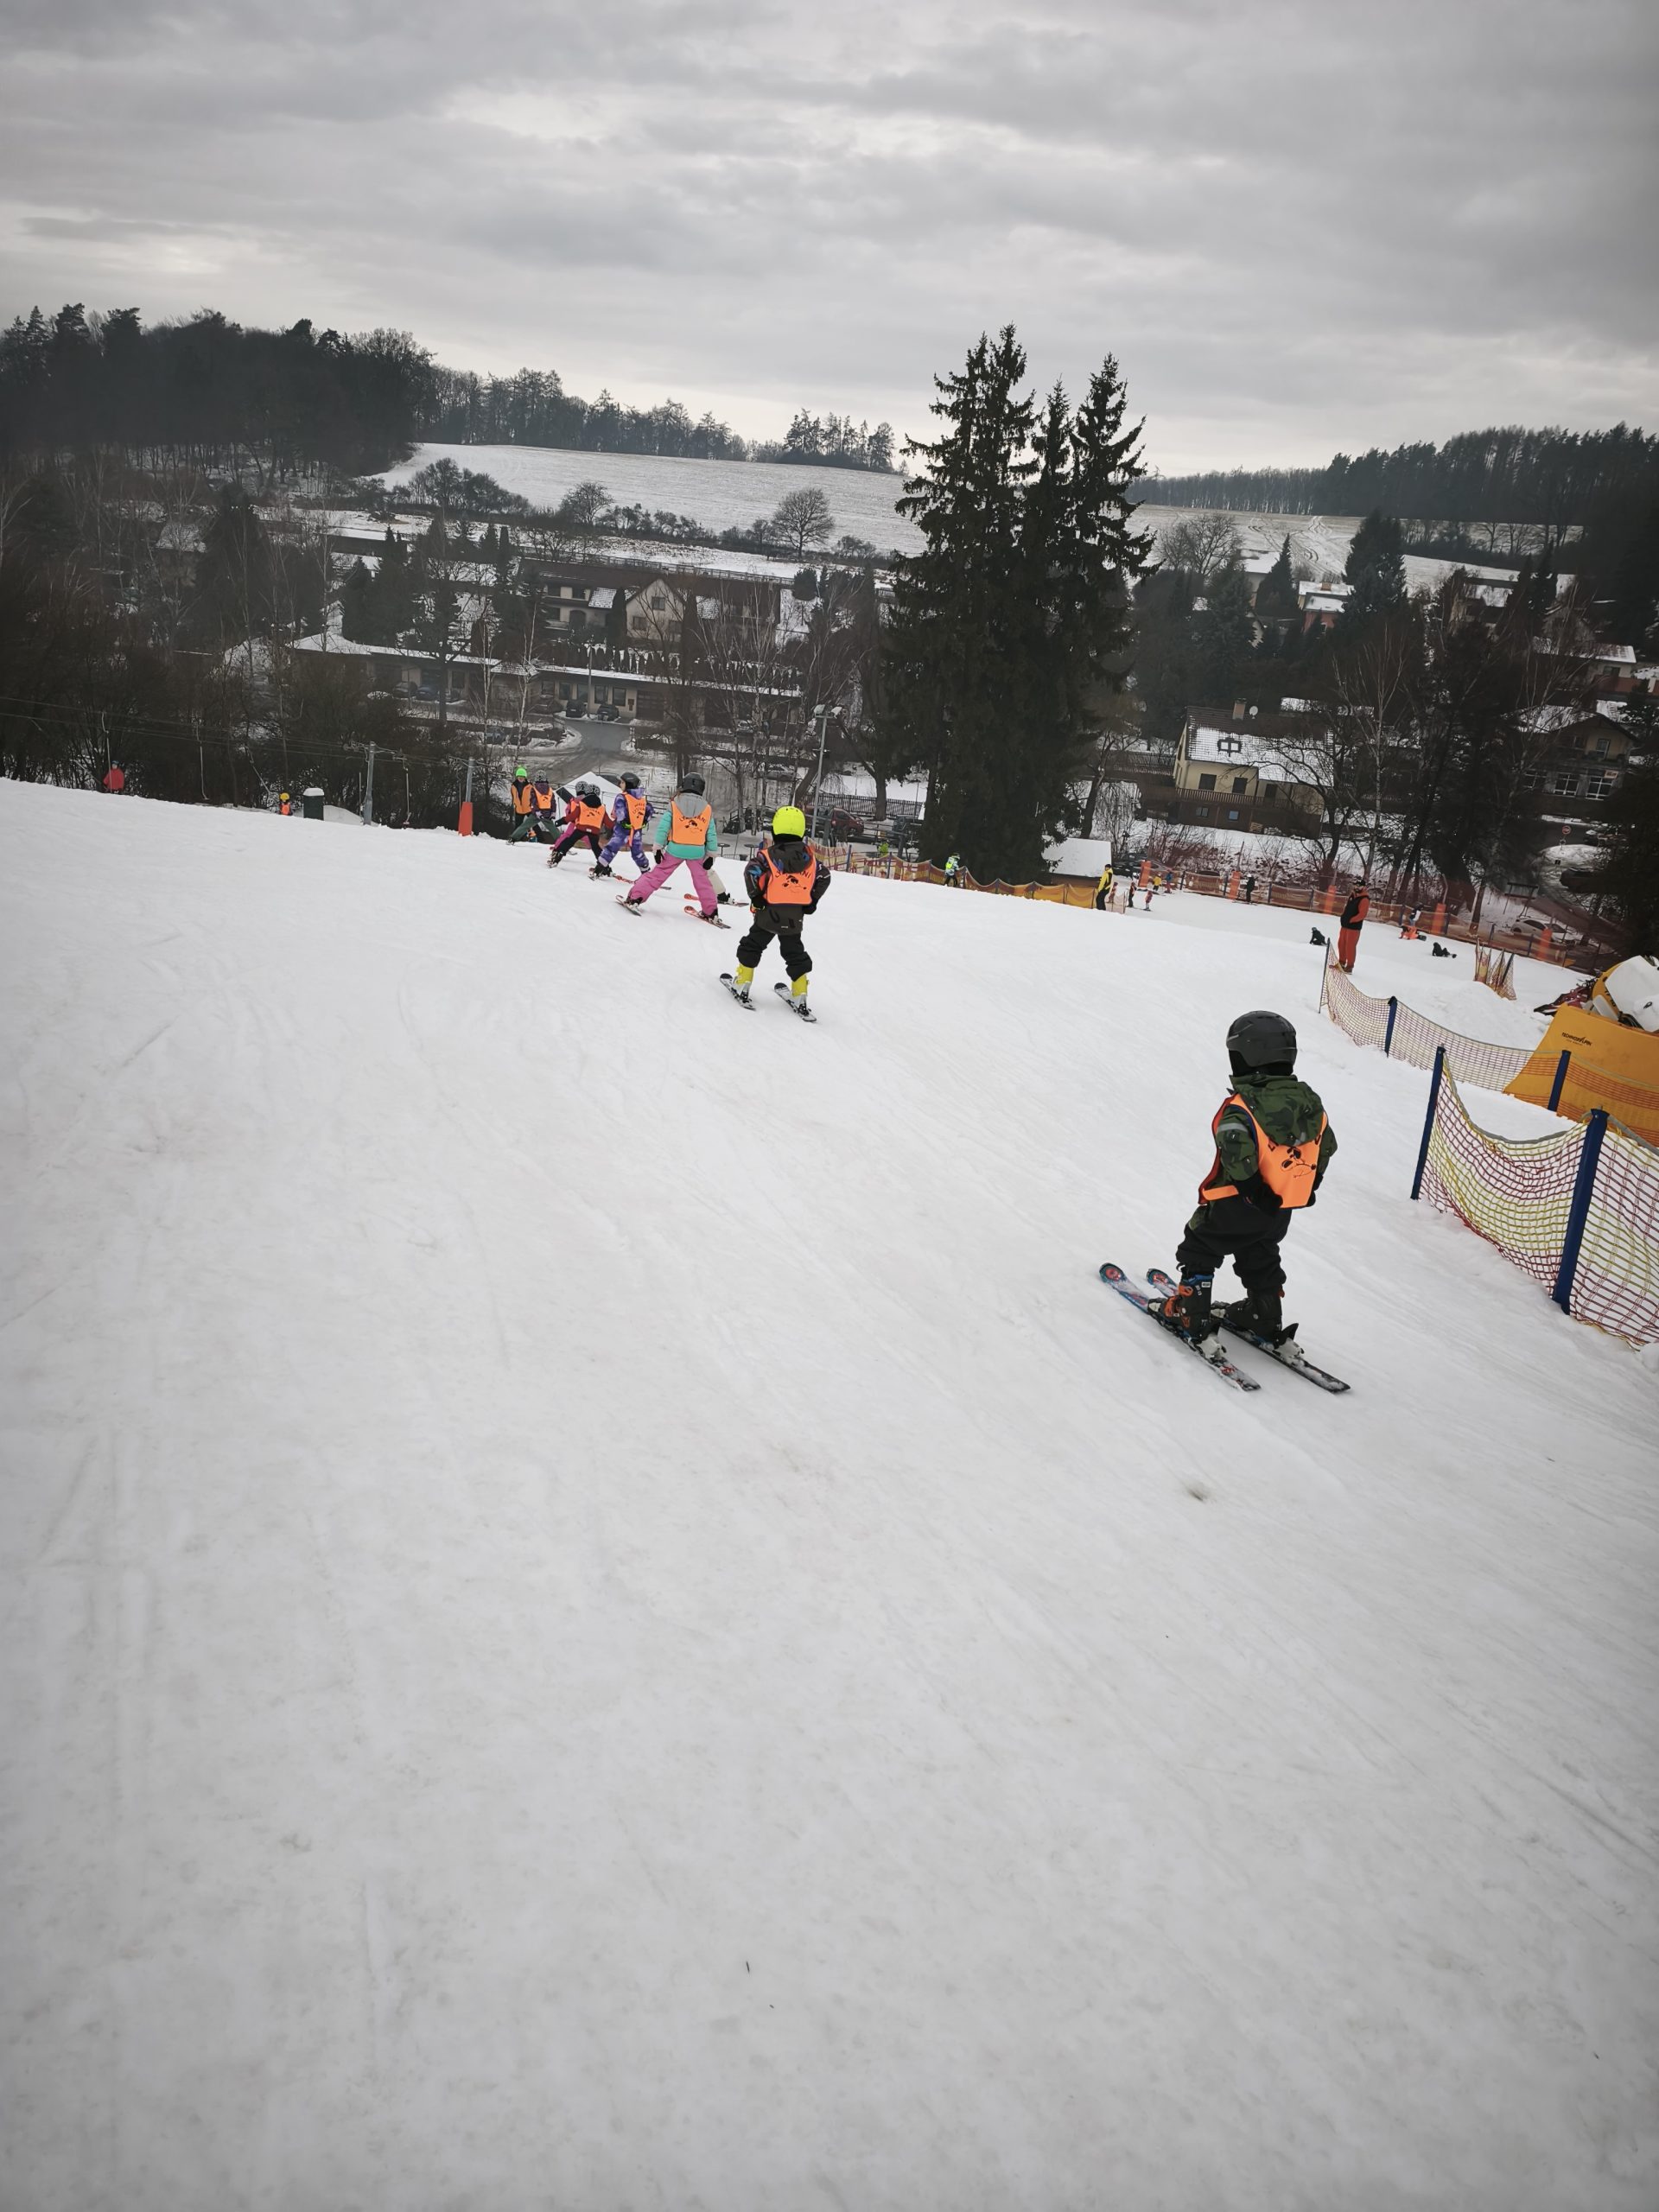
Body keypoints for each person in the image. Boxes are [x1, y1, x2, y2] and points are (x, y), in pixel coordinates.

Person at [1159, 1010, 1338, 1355]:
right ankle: (1264, 1313)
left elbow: (1236, 1152)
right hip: (1282, 1205)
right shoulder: (1311, 1104)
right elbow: (1325, 1146)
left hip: (1239, 1200)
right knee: (1259, 1247)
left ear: (1248, 1057)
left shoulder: (1242, 1106)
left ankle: (1191, 1314)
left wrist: (1254, 1190)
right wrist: (1310, 1184)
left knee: (1201, 1244)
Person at [729, 807, 830, 1006]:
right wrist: (812, 901)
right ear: (802, 832)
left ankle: (743, 982)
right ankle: (800, 993)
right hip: (794, 916)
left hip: (768, 913)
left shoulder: (767, 857)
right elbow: (824, 876)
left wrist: (756, 896)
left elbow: (751, 871)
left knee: (753, 945)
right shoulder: (811, 860)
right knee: (794, 952)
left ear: (775, 830)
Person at [620, 772, 720, 918]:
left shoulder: (674, 804)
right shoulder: (707, 809)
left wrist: (658, 847)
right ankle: (711, 911)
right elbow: (711, 834)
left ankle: (635, 897)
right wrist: (711, 854)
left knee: (657, 875)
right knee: (702, 881)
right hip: (697, 851)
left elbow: (663, 828)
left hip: (675, 849)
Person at [596, 772, 654, 878]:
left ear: (628, 784)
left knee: (612, 847)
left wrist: (623, 820)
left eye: (622, 782)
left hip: (622, 830)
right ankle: (646, 872)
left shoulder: (622, 797)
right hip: (636, 831)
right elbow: (649, 810)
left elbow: (620, 811)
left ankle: (599, 868)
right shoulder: (642, 799)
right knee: (637, 852)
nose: (620, 784)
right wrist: (644, 821)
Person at [548, 782, 610, 868]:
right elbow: (604, 820)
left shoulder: (575, 801)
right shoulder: (598, 805)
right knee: (595, 846)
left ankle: (557, 853)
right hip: (591, 827)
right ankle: (604, 864)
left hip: (577, 826)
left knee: (567, 839)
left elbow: (569, 813)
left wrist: (562, 821)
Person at [1337, 881, 1370, 971]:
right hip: (1345, 925)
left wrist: (1352, 920)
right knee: (1341, 944)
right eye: (1356, 885)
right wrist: (1343, 917)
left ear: (1364, 887)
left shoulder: (1364, 899)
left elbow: (1362, 914)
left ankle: (1350, 966)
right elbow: (1347, 908)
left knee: (1350, 946)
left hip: (1354, 928)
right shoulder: (1352, 896)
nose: (1357, 887)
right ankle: (1341, 963)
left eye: (1360, 886)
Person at [508, 766, 537, 842]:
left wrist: (533, 805)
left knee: (534, 823)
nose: (521, 778)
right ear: (517, 777)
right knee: (518, 826)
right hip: (519, 809)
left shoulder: (530, 786)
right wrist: (516, 804)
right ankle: (518, 840)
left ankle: (539, 839)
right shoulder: (513, 786)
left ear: (525, 778)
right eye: (519, 777)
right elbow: (514, 796)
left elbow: (534, 796)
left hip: (528, 808)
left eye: (522, 777)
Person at [529, 774, 561, 842]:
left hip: (536, 812)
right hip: (547, 813)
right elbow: (553, 802)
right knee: (553, 829)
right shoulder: (549, 789)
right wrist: (553, 812)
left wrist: (537, 811)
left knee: (527, 825)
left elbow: (534, 801)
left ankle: (514, 839)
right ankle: (561, 841)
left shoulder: (534, 789)